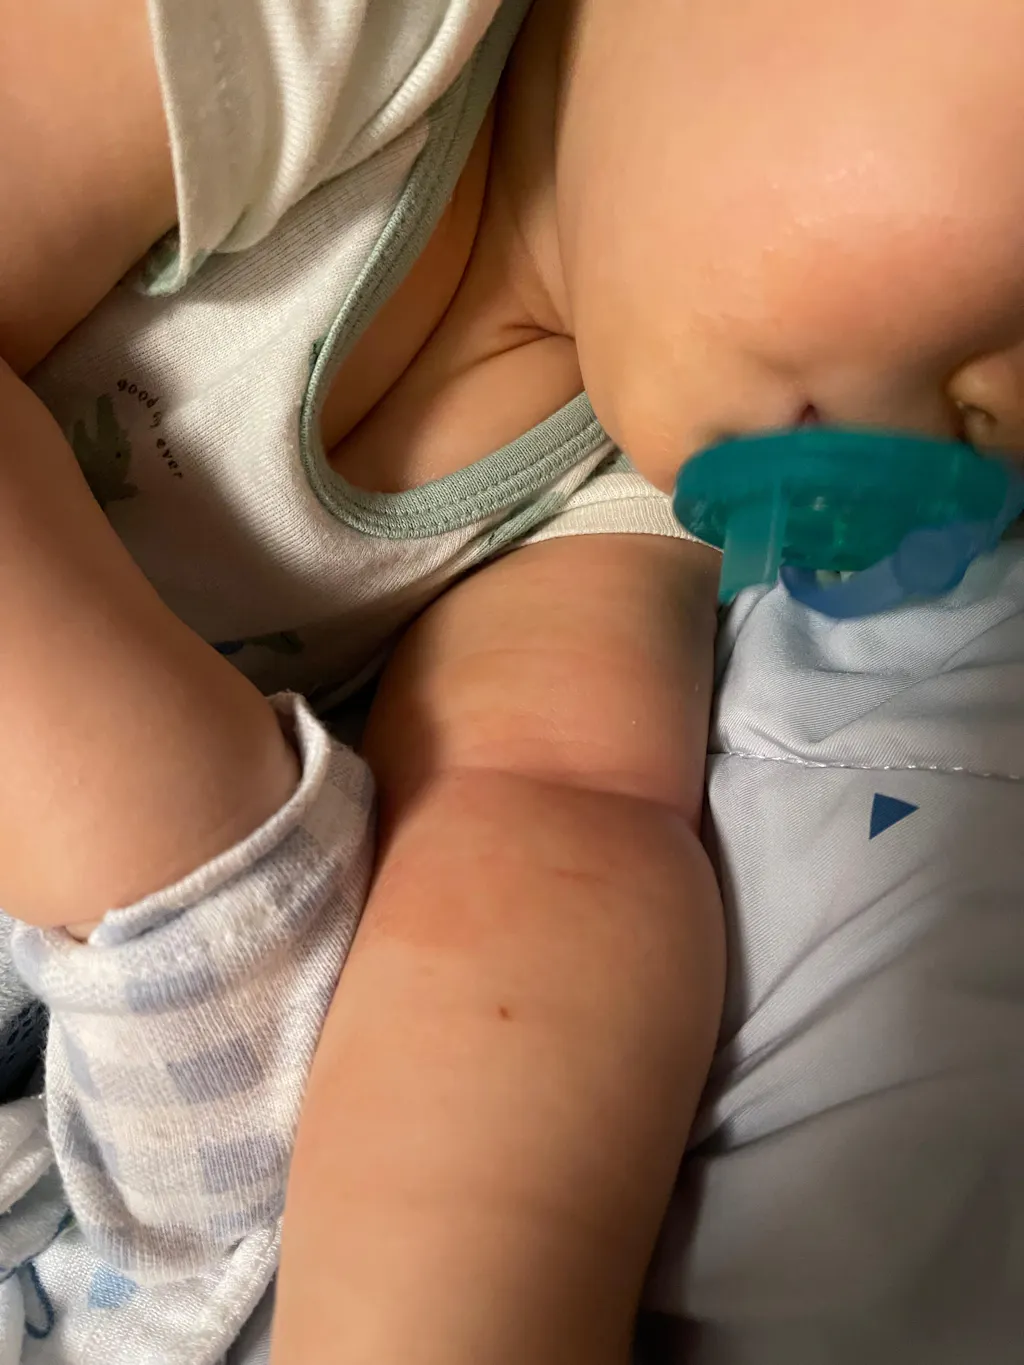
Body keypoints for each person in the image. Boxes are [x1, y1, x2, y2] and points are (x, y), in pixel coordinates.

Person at [0, 0, 1023, 1361]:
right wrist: (173, 833)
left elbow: (545, 837)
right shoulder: (311, 34)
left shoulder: (618, 474)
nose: (1000, 439)